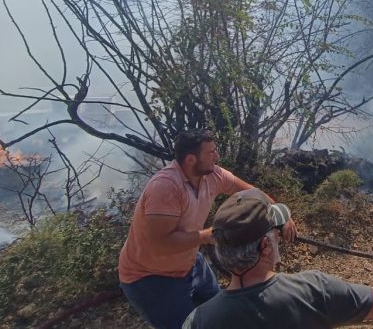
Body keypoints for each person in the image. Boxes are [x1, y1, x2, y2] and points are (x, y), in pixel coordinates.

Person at [118, 129, 298, 329]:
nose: (217, 156)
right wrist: (210, 235)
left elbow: (253, 193)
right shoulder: (165, 187)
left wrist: (280, 214)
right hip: (150, 277)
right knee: (185, 325)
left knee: (219, 315)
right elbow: (161, 243)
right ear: (190, 160)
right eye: (211, 152)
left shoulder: (212, 175)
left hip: (190, 262)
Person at [182, 190, 373, 328]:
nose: (279, 236)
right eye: (276, 232)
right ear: (265, 246)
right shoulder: (313, 290)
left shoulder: (198, 321)